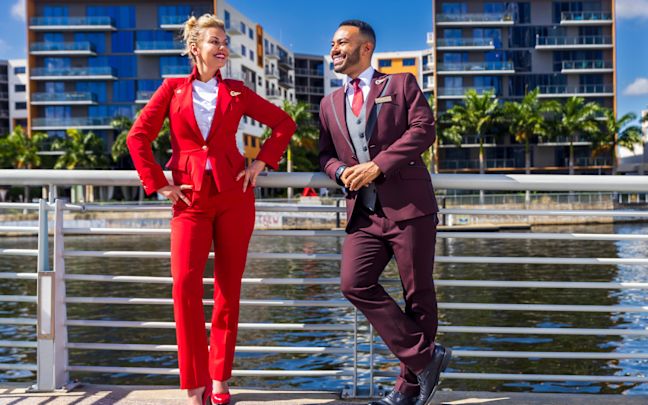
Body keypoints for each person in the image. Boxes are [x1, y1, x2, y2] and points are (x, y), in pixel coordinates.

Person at [127, 14, 296, 405]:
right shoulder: (171, 90)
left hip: (234, 197)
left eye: (225, 43)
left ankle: (219, 378)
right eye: (215, 42)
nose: (223, 48)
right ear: (194, 48)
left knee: (228, 290)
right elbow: (138, 137)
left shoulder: (236, 92)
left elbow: (284, 124)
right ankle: (194, 381)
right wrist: (160, 183)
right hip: (189, 201)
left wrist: (260, 163)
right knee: (185, 286)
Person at [318, 20, 451, 405]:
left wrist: (378, 165)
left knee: (418, 296)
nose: (335, 49)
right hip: (364, 213)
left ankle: (409, 389)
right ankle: (426, 358)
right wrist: (340, 172)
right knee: (353, 283)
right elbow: (325, 155)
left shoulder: (401, 83)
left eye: (342, 42)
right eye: (332, 43)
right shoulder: (329, 103)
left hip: (410, 208)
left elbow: (424, 129)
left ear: (366, 48)